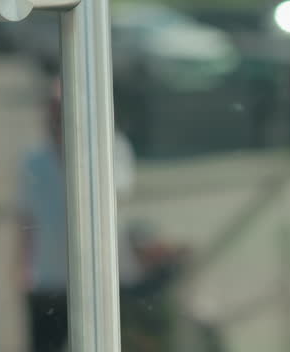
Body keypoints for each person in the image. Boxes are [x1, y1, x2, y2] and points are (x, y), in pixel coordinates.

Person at [16, 81, 221, 352]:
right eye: (53, 111)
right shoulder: (33, 161)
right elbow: (28, 219)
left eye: (62, 110)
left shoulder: (110, 147)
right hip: (49, 279)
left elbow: (112, 199)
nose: (56, 118)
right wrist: (22, 270)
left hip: (99, 276)